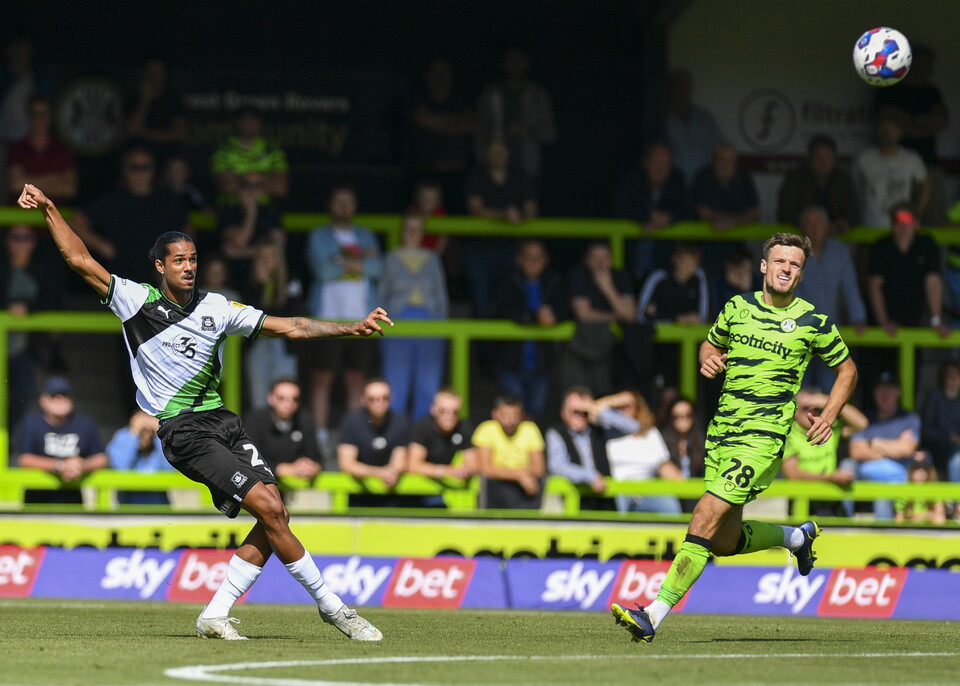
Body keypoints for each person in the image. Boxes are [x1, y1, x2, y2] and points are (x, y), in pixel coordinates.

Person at [18, 182, 388, 641]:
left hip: (223, 422)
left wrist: (352, 327)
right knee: (272, 508)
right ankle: (335, 610)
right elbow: (79, 260)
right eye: (179, 261)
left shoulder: (217, 307)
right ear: (160, 266)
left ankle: (215, 612)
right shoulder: (135, 302)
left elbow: (290, 325)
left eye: (193, 259)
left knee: (276, 516)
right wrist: (51, 209)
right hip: (184, 432)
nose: (189, 267)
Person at [611, 232, 858, 643]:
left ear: (801, 272)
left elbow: (847, 370)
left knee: (704, 514)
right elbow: (709, 345)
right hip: (721, 435)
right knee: (723, 541)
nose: (785, 269)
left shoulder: (813, 321)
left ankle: (653, 613)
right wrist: (708, 360)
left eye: (794, 265)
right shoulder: (736, 308)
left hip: (762, 440)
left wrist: (828, 416)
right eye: (779, 261)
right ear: (764, 266)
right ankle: (796, 537)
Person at [303, 186, 383, 451]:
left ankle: (352, 438)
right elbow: (323, 270)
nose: (344, 207)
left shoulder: (366, 234)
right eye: (339, 202)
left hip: (362, 318)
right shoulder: (318, 235)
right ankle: (320, 438)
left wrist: (340, 261)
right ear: (330, 205)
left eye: (349, 202)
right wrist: (359, 261)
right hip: (326, 318)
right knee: (322, 378)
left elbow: (377, 267)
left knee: (356, 379)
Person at [70, 146, 192, 286]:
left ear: (153, 170)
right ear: (124, 170)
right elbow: (75, 222)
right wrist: (103, 247)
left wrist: (182, 259)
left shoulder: (168, 200)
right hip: (123, 278)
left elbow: (186, 226)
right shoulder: (112, 200)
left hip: (163, 277)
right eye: (134, 167)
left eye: (145, 167)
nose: (140, 172)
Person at [378, 212, 448, 423]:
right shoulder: (390, 258)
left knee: (428, 381)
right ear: (402, 230)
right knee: (395, 380)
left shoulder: (432, 258)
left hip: (430, 320)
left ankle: (421, 435)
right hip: (396, 320)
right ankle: (395, 434)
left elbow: (441, 295)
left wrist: (442, 324)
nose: (412, 233)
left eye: (417, 229)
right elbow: (382, 293)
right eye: (409, 228)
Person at [793, 206, 868, 392]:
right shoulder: (795, 253)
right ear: (803, 227)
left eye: (818, 223)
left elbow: (849, 285)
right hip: (799, 332)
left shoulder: (839, 251)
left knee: (830, 389)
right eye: (809, 224)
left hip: (831, 332)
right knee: (799, 390)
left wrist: (858, 317)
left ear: (827, 226)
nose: (814, 228)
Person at [874, 45, 950, 226]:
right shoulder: (889, 89)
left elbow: (942, 121)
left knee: (932, 220)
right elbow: (886, 118)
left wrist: (908, 121)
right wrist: (922, 123)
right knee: (889, 222)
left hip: (927, 162)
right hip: (891, 166)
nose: (929, 69)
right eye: (924, 64)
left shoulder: (930, 92)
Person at [0, 222, 65, 428]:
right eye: (15, 238)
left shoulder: (43, 270)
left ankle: (6, 437)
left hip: (26, 347)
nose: (20, 244)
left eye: (26, 238)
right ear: (6, 241)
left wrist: (28, 308)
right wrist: (9, 307)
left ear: (34, 243)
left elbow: (54, 302)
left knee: (23, 393)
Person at [492, 239, 564, 420]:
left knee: (535, 413)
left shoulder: (554, 281)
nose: (534, 262)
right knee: (513, 414)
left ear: (546, 260)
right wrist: (534, 318)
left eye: (538, 257)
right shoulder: (507, 280)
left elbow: (567, 311)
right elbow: (503, 311)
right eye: (529, 257)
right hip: (511, 361)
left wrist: (555, 317)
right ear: (519, 259)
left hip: (541, 363)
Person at [13, 375, 108, 505]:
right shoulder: (31, 424)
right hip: (37, 501)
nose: (60, 399)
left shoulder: (85, 424)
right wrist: (59, 466)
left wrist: (82, 465)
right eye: (54, 395)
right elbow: (24, 459)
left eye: (65, 395)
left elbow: (101, 458)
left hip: (73, 500)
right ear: (43, 400)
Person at [545, 387, 641, 511]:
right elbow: (558, 466)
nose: (580, 415)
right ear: (563, 413)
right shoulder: (556, 433)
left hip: (604, 501)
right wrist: (590, 477)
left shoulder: (598, 429)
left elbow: (633, 427)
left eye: (584, 411)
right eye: (575, 411)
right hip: (574, 501)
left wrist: (598, 409)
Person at [562, 241, 637, 397]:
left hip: (615, 349)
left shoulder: (620, 276)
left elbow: (630, 315)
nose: (600, 263)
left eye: (605, 257)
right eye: (595, 258)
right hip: (582, 345)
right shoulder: (579, 275)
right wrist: (617, 315)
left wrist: (608, 288)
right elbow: (584, 314)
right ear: (586, 260)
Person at [845, 372, 923, 520]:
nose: (884, 394)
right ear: (874, 392)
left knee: (882, 495)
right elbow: (855, 451)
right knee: (846, 465)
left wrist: (874, 443)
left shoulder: (909, 419)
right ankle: (843, 520)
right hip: (866, 474)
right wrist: (894, 448)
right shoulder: (865, 418)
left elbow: (906, 450)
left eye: (889, 389)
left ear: (898, 392)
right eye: (880, 389)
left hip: (897, 478)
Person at [781, 387, 867, 517]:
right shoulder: (788, 434)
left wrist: (829, 402)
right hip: (803, 504)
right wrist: (832, 478)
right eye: (806, 408)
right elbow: (793, 475)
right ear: (795, 410)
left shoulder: (827, 427)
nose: (811, 413)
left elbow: (861, 424)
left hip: (831, 503)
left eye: (816, 408)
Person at [474, 47, 556, 183]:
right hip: (494, 171)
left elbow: (550, 133)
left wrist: (526, 131)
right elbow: (480, 131)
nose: (515, 64)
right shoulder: (490, 94)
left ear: (527, 63)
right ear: (503, 63)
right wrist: (483, 160)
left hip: (528, 169)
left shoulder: (538, 95)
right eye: (511, 59)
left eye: (519, 60)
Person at [613, 141, 693, 279]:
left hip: (662, 265)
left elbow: (688, 210)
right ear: (646, 163)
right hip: (631, 262)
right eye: (656, 162)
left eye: (665, 163)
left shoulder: (677, 181)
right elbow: (620, 208)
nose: (660, 168)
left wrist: (668, 219)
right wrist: (648, 216)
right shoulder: (632, 179)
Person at [604, 390, 685, 514]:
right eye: (618, 407)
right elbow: (593, 408)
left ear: (638, 408)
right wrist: (614, 400)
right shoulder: (606, 432)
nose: (622, 410)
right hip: (619, 489)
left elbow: (664, 466)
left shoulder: (650, 433)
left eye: (627, 406)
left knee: (670, 506)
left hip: (648, 490)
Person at [336, 378, 410, 506]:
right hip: (357, 495)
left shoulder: (400, 422)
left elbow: (400, 460)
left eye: (384, 398)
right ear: (363, 400)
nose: (379, 402)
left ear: (391, 399)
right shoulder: (352, 421)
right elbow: (347, 464)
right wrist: (381, 473)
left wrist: (392, 472)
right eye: (373, 399)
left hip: (391, 493)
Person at [405, 388, 478, 506]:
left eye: (454, 412)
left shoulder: (464, 427)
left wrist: (464, 470)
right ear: (433, 409)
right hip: (416, 489)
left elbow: (473, 463)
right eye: (443, 411)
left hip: (444, 488)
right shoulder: (423, 427)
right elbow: (412, 465)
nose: (449, 416)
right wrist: (447, 471)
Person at [853, 115, 928, 229]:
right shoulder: (863, 158)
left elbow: (925, 186)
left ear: (899, 133)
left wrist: (916, 212)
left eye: (891, 130)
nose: (887, 134)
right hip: (871, 225)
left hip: (901, 227)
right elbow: (854, 188)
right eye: (883, 130)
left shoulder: (911, 158)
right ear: (877, 132)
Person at [473, 394, 545, 510]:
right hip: (496, 487)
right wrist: (519, 475)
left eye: (514, 416)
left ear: (522, 415)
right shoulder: (486, 429)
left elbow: (539, 468)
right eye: (505, 415)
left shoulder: (530, 429)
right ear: (495, 414)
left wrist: (518, 475)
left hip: (525, 487)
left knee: (537, 482)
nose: (510, 421)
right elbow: (485, 469)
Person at [776, 134, 860, 232]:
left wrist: (842, 224)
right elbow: (785, 213)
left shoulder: (844, 180)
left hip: (837, 240)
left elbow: (854, 213)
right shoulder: (795, 178)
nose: (822, 162)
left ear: (834, 159)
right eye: (818, 157)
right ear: (809, 159)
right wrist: (811, 225)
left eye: (827, 157)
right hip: (801, 238)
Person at [243, 378, 322, 482]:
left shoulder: (305, 420)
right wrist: (280, 469)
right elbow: (246, 459)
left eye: (295, 399)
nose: (289, 404)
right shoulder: (255, 419)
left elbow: (316, 457)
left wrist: (312, 467)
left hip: (296, 489)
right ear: (270, 398)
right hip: (260, 486)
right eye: (281, 398)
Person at [6, 95, 77, 205]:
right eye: (35, 114)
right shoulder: (17, 149)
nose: (39, 118)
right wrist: (53, 178)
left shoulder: (62, 150)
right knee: (20, 223)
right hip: (24, 213)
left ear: (50, 116)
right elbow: (15, 185)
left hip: (53, 213)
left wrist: (29, 184)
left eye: (44, 114)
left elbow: (69, 188)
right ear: (29, 116)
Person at [210, 107, 289, 204]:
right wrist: (257, 179)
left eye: (253, 120)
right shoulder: (224, 150)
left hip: (265, 208)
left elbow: (280, 189)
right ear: (237, 123)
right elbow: (228, 187)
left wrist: (244, 181)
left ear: (260, 123)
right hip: (233, 207)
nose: (249, 124)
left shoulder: (272, 150)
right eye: (245, 120)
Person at [123, 57, 186, 166]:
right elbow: (130, 130)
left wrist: (143, 132)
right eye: (150, 72)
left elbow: (177, 133)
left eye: (157, 72)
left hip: (165, 161)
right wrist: (145, 100)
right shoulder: (133, 99)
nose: (153, 76)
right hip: (138, 163)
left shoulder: (173, 100)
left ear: (164, 75)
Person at [665, 68, 724, 186]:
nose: (683, 91)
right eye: (678, 86)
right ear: (670, 89)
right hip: (673, 186)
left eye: (686, 86)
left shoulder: (704, 117)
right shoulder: (662, 119)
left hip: (705, 185)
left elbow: (719, 149)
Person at [106, 410, 173, 505]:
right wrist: (133, 433)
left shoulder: (160, 442)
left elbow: (170, 467)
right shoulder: (124, 436)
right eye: (142, 431)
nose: (145, 434)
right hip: (128, 508)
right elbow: (120, 466)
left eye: (149, 431)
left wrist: (160, 434)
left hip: (160, 508)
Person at [659, 397, 705, 513]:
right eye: (677, 416)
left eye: (687, 415)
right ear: (670, 418)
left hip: (698, 497)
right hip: (672, 497)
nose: (683, 419)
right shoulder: (662, 441)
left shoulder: (703, 441)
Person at [921, 361, 960, 483]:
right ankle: (957, 501)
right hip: (938, 448)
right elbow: (926, 430)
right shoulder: (934, 397)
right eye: (950, 375)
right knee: (957, 461)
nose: (954, 379)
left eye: (957, 374)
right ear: (943, 378)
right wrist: (950, 437)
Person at [894, 458, 947, 525]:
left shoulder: (936, 491)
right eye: (916, 469)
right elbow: (899, 519)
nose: (920, 472)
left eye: (924, 469)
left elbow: (940, 520)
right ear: (911, 472)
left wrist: (924, 515)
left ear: (930, 472)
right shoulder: (904, 491)